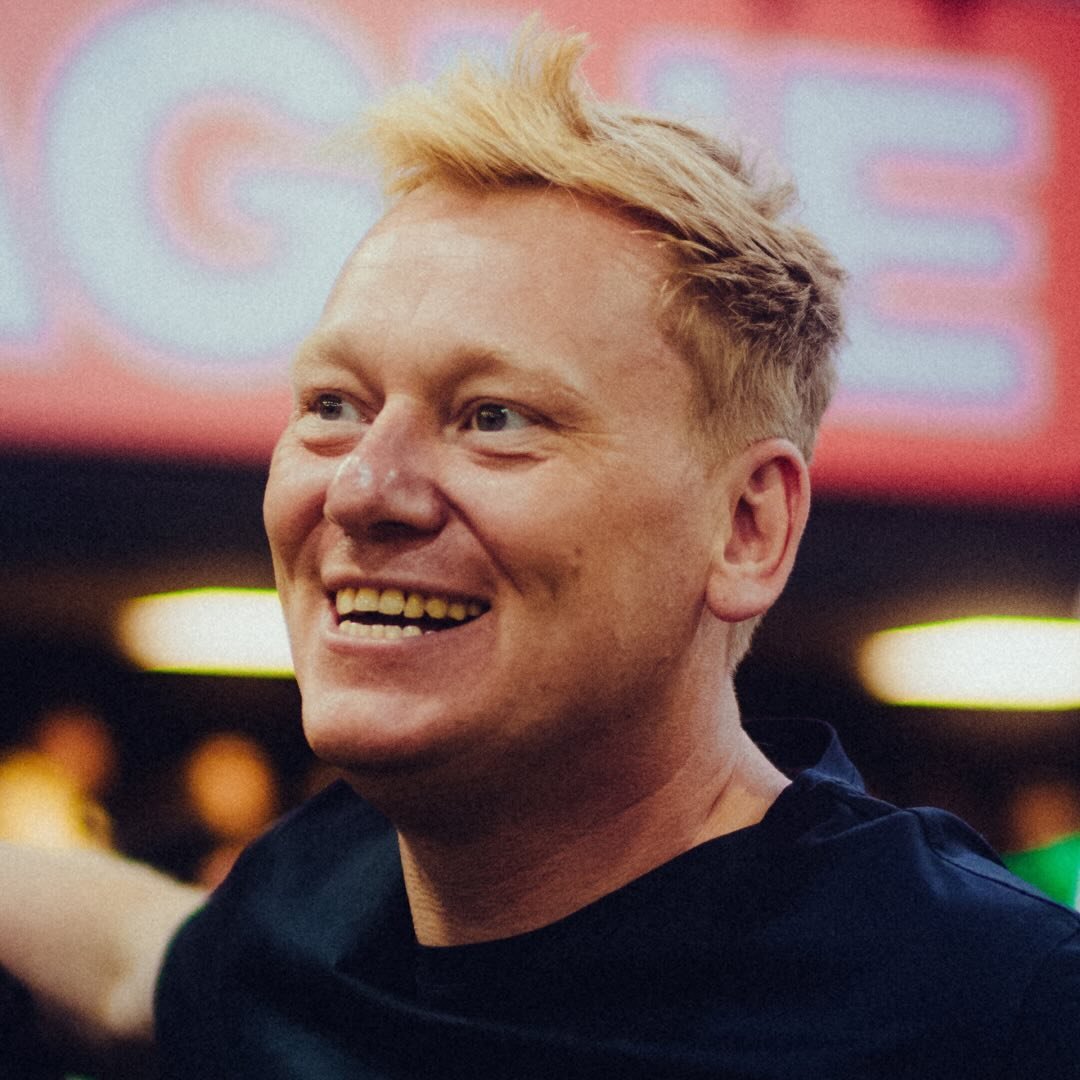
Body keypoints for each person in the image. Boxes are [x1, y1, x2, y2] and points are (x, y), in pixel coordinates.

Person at [3, 21, 1080, 1079]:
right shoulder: (317, 901)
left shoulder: (998, 1008)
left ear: (747, 527)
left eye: (496, 418)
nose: (364, 487)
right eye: (334, 404)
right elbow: (130, 960)